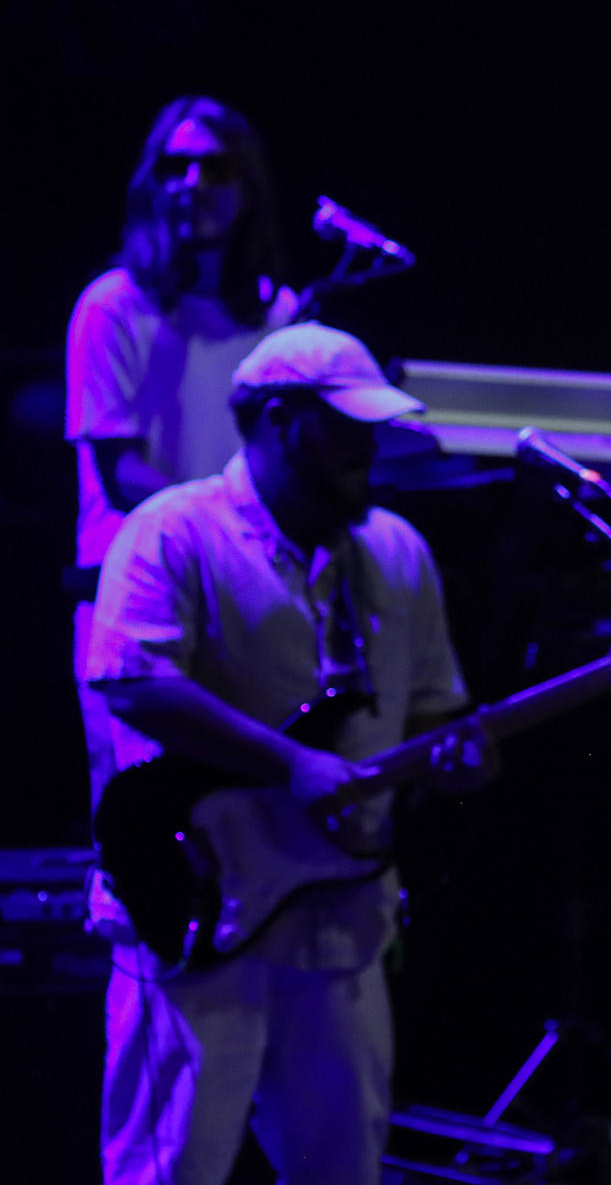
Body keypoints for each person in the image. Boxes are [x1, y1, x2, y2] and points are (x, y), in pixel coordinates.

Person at [87, 325, 484, 1185]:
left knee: (342, 1169)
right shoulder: (172, 531)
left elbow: (435, 709)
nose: (364, 449)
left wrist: (456, 762)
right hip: (201, 907)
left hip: (340, 919)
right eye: (342, 427)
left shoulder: (396, 550)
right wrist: (290, 764)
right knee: (172, 1169)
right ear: (273, 418)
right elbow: (131, 681)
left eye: (369, 429)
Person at [66, 95, 300, 815]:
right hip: (141, 604)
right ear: (151, 183)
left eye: (216, 168)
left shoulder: (280, 313)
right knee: (145, 834)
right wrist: (241, 533)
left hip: (246, 601)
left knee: (247, 828)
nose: (192, 183)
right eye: (175, 165)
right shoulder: (112, 308)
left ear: (247, 189)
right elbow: (124, 475)